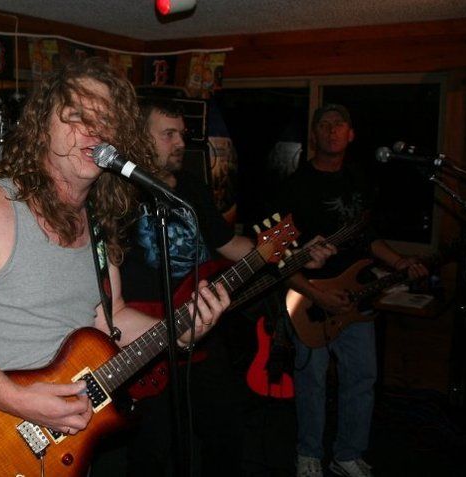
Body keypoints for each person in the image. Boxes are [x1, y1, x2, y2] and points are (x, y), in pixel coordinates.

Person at [0, 59, 230, 448]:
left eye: (105, 120)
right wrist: (19, 399)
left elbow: (112, 319)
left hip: (64, 442)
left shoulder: (98, 223)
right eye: (76, 116)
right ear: (43, 127)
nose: (93, 130)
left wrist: (180, 331)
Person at [118, 98, 336, 477]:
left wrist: (295, 255)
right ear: (139, 137)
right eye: (168, 134)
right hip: (147, 337)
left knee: (226, 431)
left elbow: (229, 244)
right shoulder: (119, 193)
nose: (180, 143)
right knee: (152, 448)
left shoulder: (191, 187)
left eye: (181, 134)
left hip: (202, 328)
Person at [274, 104, 428, 477]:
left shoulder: (359, 181)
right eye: (324, 125)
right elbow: (276, 252)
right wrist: (314, 293)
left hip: (357, 296)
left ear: (351, 134)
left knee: (361, 378)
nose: (332, 130)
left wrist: (400, 262)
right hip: (310, 299)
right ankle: (309, 455)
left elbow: (367, 238)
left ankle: (347, 455)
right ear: (314, 135)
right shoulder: (294, 186)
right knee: (311, 380)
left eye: (339, 124)